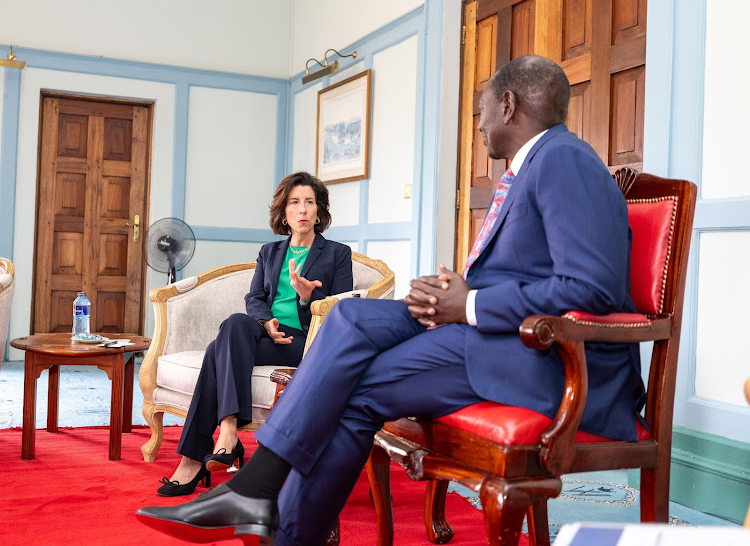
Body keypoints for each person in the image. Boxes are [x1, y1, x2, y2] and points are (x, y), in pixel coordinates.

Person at [137, 55, 645, 544]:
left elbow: (591, 289)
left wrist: (468, 305)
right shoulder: (531, 168)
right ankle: (259, 495)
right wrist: (447, 297)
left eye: (483, 111)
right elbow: (531, 274)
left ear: (509, 105)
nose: (480, 124)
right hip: (494, 335)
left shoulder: (563, 159)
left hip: (546, 361)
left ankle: (266, 506)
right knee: (352, 316)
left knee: (355, 388)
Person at [156, 171, 353, 496]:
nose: (302, 210)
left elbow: (343, 307)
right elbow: (254, 300)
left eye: (309, 202)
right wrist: (267, 323)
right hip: (265, 335)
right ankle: (229, 432)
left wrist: (308, 297)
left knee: (216, 349)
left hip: (304, 342)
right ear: (284, 213)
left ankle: (195, 458)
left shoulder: (337, 254)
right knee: (234, 325)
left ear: (319, 211)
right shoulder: (270, 253)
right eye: (294, 203)